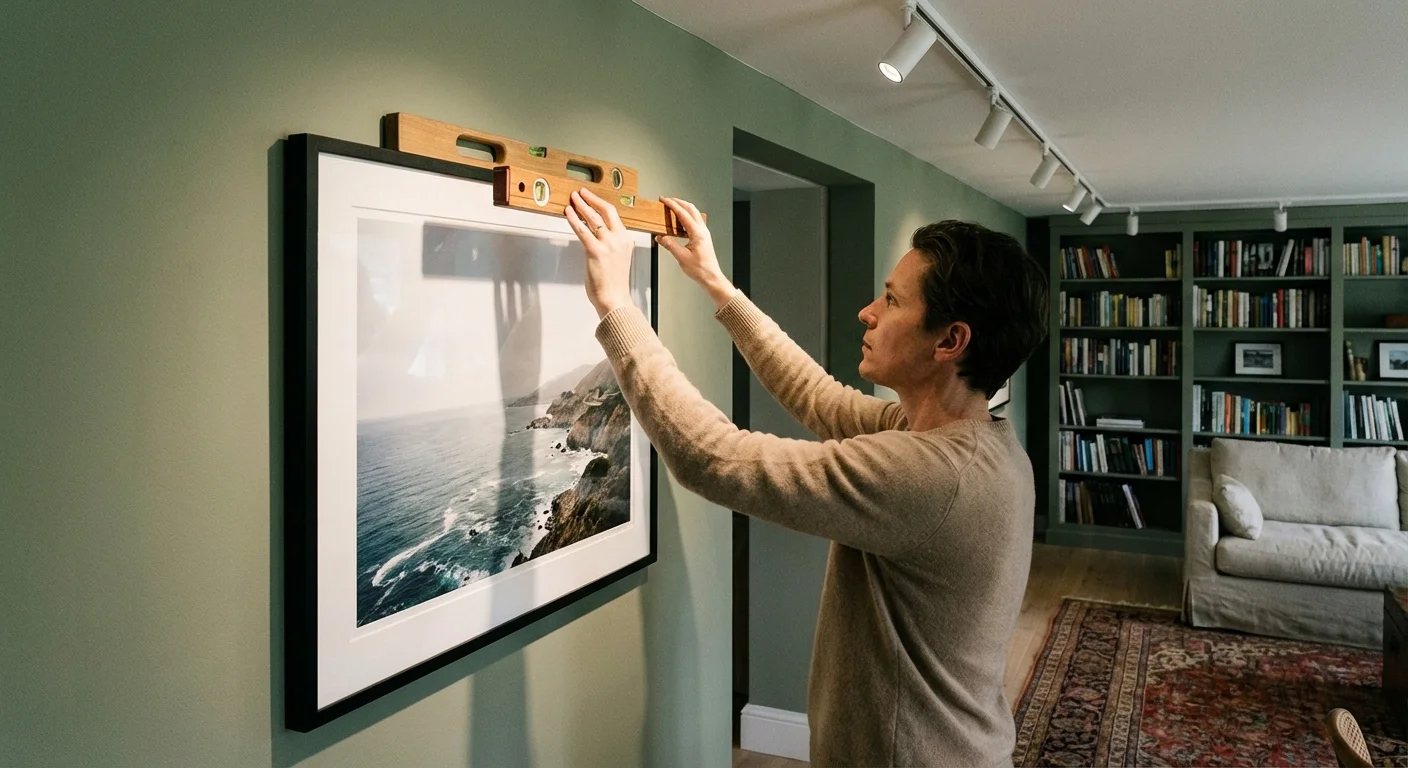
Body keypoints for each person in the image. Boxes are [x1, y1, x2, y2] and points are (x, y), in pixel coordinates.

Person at [564, 188, 1049, 767]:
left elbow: (711, 458)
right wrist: (718, 285)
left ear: (950, 341)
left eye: (892, 301)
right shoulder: (961, 439)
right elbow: (819, 397)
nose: (867, 312)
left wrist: (617, 308)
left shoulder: (932, 475)